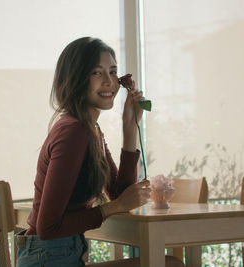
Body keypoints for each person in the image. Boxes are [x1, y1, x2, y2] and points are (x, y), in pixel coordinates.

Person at [15, 37, 184, 267]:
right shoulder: (73, 132)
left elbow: (119, 194)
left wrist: (129, 127)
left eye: (112, 72)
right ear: (76, 78)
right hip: (48, 258)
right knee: (169, 264)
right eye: (97, 72)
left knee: (169, 262)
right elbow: (48, 227)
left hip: (61, 255)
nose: (109, 81)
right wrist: (114, 208)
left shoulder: (90, 130)